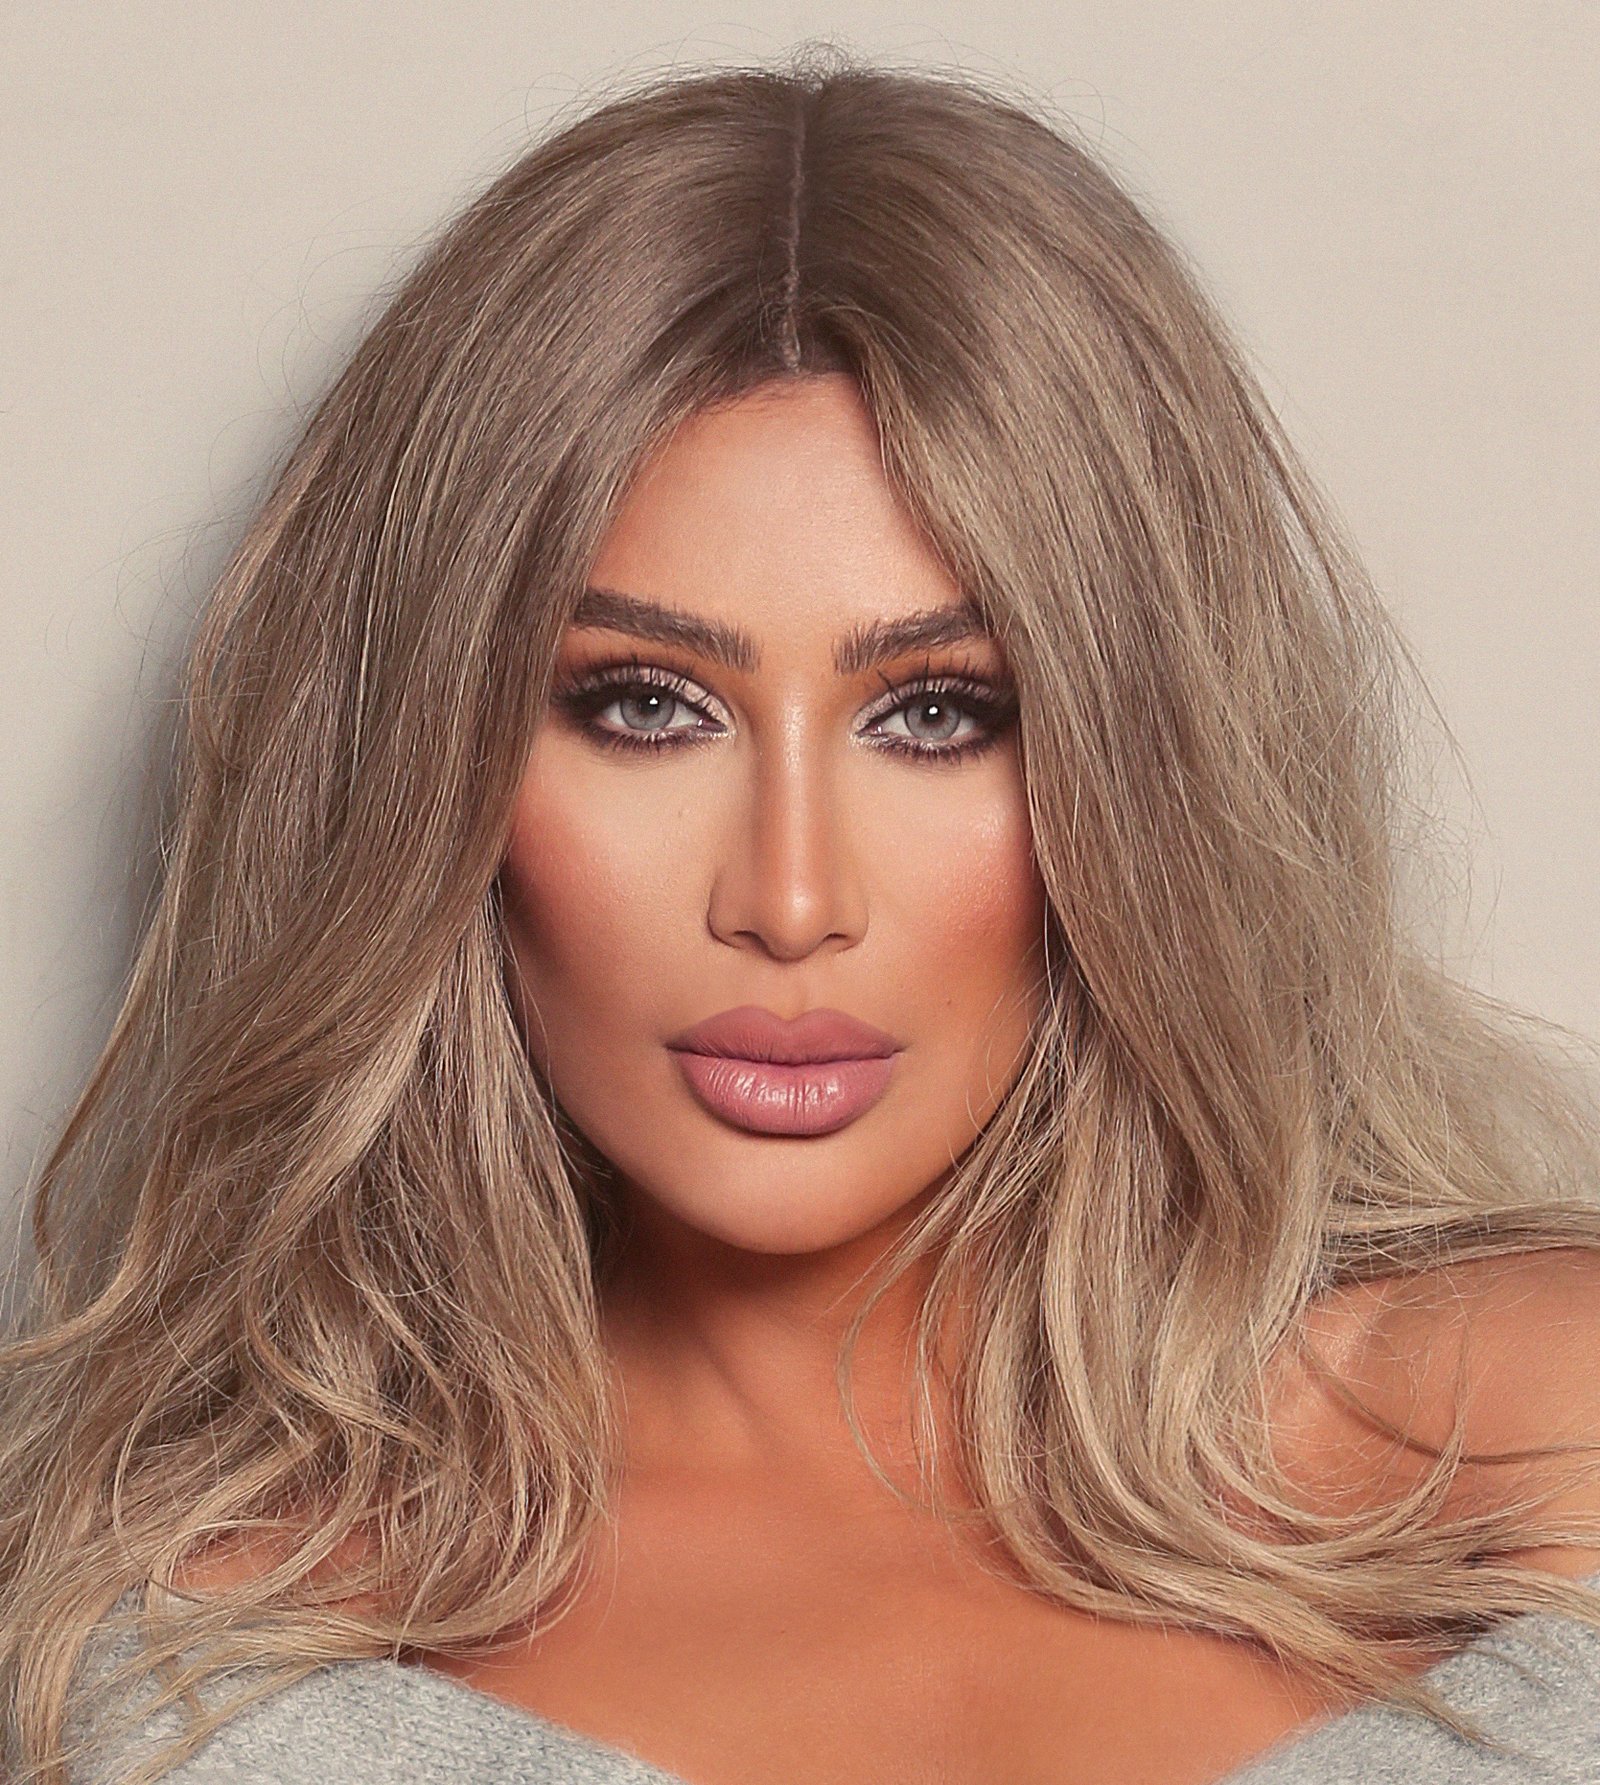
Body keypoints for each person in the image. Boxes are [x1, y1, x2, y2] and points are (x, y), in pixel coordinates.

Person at [5, 48, 1600, 1785]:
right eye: (643, 705)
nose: (787, 899)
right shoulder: (193, 1647)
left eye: (939, 713)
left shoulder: (1538, 1428)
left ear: (1145, 782)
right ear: (435, 772)